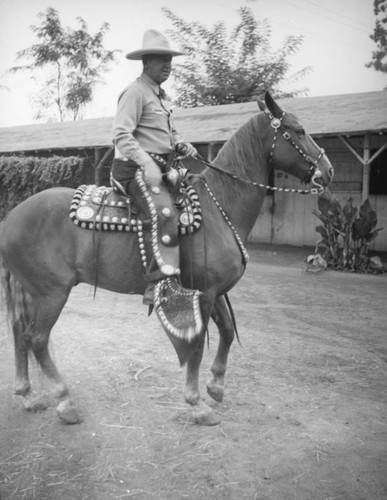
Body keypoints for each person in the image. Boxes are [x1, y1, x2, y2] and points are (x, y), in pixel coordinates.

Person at [111, 29, 198, 308]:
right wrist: (147, 162)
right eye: (161, 60)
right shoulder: (134, 92)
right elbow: (121, 136)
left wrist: (181, 143)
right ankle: (157, 283)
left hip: (161, 168)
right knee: (163, 212)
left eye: (170, 60)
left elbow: (170, 131)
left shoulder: (161, 96)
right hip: (133, 169)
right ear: (145, 62)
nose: (167, 66)